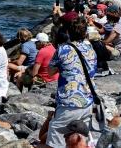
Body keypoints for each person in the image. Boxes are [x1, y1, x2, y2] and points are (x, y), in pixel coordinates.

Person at [40, 17, 98, 148]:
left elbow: (50, 72)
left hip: (69, 101)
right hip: (87, 99)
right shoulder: (91, 49)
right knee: (79, 139)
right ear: (85, 33)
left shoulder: (63, 49)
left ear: (68, 33)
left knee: (56, 136)